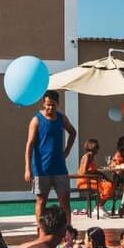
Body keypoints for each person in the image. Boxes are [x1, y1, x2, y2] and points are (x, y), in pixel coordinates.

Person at [25, 90, 77, 225]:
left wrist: (67, 150)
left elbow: (73, 132)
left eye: (53, 105)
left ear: (57, 104)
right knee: (41, 200)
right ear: (43, 103)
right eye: (48, 104)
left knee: (64, 200)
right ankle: (41, 229)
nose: (50, 107)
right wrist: (28, 169)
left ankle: (67, 229)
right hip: (41, 169)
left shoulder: (61, 118)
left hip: (59, 168)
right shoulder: (36, 120)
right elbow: (29, 144)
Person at [76, 138, 115, 218]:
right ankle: (98, 207)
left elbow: (93, 171)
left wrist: (103, 176)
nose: (98, 149)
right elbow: (84, 172)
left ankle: (99, 206)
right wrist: (97, 175)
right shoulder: (88, 156)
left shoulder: (91, 156)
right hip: (84, 181)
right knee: (108, 186)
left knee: (110, 184)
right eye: (97, 147)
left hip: (90, 180)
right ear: (93, 147)